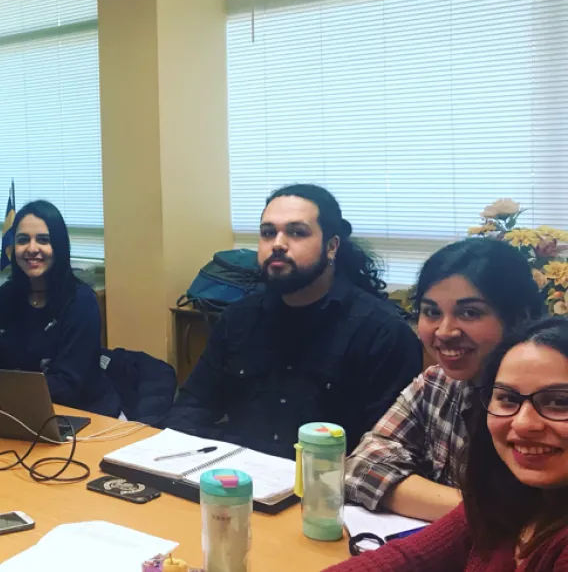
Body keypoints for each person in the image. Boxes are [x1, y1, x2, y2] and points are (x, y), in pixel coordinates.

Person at [163, 184, 422, 459]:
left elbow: (386, 453)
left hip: (332, 481)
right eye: (268, 233)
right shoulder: (239, 318)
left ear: (331, 246)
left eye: (297, 232)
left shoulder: (382, 332)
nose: (277, 244)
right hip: (237, 474)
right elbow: (192, 408)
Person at [326, 317, 568, 571]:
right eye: (508, 398)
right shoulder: (505, 498)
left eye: (559, 402)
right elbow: (407, 558)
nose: (523, 423)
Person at [345, 238, 545, 521]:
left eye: (470, 313)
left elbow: (540, 516)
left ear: (520, 317)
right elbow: (361, 467)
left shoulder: (549, 405)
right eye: (431, 312)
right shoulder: (437, 383)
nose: (445, 331)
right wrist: (482, 514)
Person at [0, 200, 120, 416]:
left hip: (84, 414)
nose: (32, 249)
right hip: (18, 408)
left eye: (43, 240)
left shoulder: (80, 302)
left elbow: (67, 384)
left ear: (59, 246)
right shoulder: (5, 296)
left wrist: (1, 390)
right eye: (23, 240)